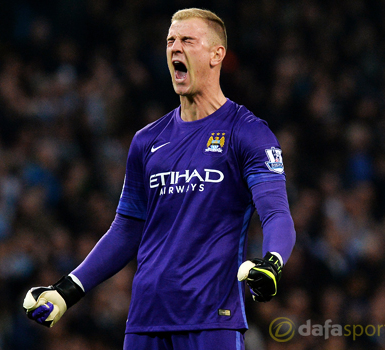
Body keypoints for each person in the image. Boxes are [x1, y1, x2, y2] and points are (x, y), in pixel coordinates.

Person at [23, 8, 296, 350]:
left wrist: (272, 262)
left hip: (211, 321)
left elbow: (275, 213)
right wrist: (67, 290)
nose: (174, 48)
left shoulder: (248, 132)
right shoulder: (147, 141)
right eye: (170, 41)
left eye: (187, 40)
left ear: (216, 55)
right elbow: (126, 229)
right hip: (144, 321)